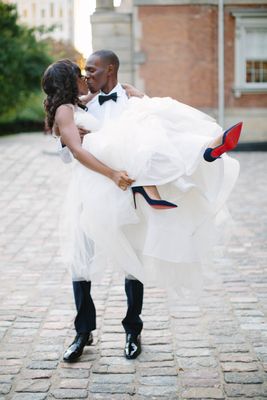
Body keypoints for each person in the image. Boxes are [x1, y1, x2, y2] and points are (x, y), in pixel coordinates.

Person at [42, 51, 242, 362]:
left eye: (92, 71)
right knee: (80, 261)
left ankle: (132, 331)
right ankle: (83, 332)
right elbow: (70, 154)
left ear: (111, 70)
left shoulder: (134, 98)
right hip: (89, 190)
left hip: (127, 191)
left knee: (132, 262)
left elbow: (158, 136)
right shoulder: (82, 103)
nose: (88, 76)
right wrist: (64, 140)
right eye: (84, 72)